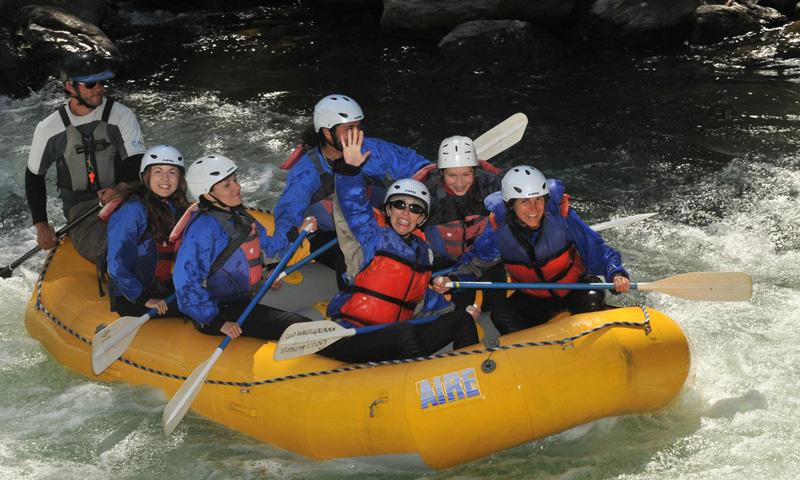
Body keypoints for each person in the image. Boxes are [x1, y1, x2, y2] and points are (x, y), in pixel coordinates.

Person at [319, 129, 479, 363]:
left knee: (461, 321)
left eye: (415, 209)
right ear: (388, 209)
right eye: (399, 205)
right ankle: (417, 388)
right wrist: (349, 170)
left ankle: (471, 375)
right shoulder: (371, 235)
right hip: (355, 337)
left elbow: (421, 299)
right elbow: (353, 204)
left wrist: (456, 311)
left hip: (394, 339)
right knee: (406, 333)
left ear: (421, 219)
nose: (406, 213)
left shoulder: (423, 254)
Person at [432, 165, 631, 335]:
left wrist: (616, 273)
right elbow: (476, 262)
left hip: (574, 288)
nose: (534, 209)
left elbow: (596, 248)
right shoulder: (498, 231)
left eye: (538, 200)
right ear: (511, 205)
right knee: (501, 315)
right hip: (534, 298)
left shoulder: (562, 218)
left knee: (590, 298)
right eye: (525, 202)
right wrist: (453, 279)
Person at [273, 94, 432, 289]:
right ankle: (353, 299)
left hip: (374, 224)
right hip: (330, 236)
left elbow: (414, 163)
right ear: (327, 133)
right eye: (349, 129)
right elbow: (287, 216)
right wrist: (276, 259)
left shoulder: (371, 149)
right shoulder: (306, 172)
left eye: (358, 127)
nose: (357, 135)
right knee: (348, 253)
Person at [172, 154, 317, 340]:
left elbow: (269, 250)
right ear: (207, 194)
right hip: (219, 312)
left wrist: (297, 232)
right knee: (299, 327)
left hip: (241, 299)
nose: (237, 187)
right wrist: (216, 321)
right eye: (227, 185)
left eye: (235, 180)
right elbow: (185, 282)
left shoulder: (240, 216)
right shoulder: (203, 228)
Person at [25, 51, 146, 263]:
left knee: (144, 238)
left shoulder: (122, 116)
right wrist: (42, 225)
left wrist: (121, 189)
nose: (99, 88)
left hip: (124, 195)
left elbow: (136, 161)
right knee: (108, 250)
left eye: (101, 82)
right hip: (80, 208)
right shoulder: (49, 129)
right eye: (90, 85)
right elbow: (34, 176)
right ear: (70, 87)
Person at [414, 135, 506, 311]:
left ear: (475, 171)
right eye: (451, 175)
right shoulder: (427, 193)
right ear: (441, 173)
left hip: (482, 256)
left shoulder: (491, 185)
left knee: (497, 292)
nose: (459, 183)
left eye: (466, 174)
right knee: (462, 297)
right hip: (443, 260)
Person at [105, 145, 188, 318]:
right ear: (146, 176)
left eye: (172, 172)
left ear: (179, 178)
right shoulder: (133, 210)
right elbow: (116, 264)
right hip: (133, 297)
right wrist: (143, 298)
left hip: (163, 287)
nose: (165, 178)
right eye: (158, 171)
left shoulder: (177, 207)